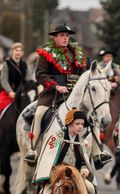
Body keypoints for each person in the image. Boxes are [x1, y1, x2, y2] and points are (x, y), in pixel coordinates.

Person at [24, 24, 111, 168]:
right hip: (53, 94)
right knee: (39, 113)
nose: (65, 38)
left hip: (75, 93)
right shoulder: (46, 53)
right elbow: (40, 75)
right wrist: (56, 85)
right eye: (62, 35)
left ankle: (97, 153)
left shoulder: (77, 53)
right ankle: (33, 150)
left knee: (92, 114)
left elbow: (86, 72)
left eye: (67, 35)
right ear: (55, 37)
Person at [33, 108, 104, 194]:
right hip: (56, 177)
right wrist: (54, 175)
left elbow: (84, 161)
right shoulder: (57, 138)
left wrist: (84, 170)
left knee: (91, 188)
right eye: (77, 124)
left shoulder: (82, 142)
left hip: (76, 178)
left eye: (82, 124)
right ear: (69, 124)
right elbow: (49, 159)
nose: (80, 127)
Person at [0, 42, 30, 115]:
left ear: (22, 53)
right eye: (16, 50)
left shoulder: (25, 64)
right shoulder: (6, 64)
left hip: (21, 93)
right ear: (12, 51)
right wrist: (10, 92)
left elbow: (28, 80)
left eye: (20, 51)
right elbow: (4, 81)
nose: (18, 52)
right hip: (9, 93)